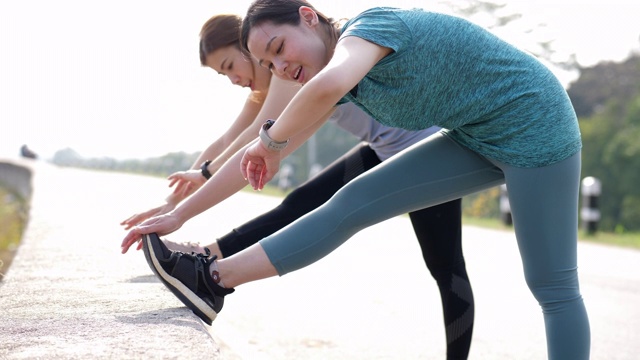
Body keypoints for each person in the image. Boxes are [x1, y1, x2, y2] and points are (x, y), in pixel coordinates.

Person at [121, 14, 475, 358]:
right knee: (301, 202)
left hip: (424, 151)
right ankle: (208, 259)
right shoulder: (289, 73)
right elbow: (236, 140)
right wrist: (173, 206)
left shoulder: (302, 67)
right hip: (384, 147)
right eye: (223, 74)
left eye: (231, 66)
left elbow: (256, 139)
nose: (234, 79)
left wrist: (194, 192)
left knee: (445, 267)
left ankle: (210, 264)